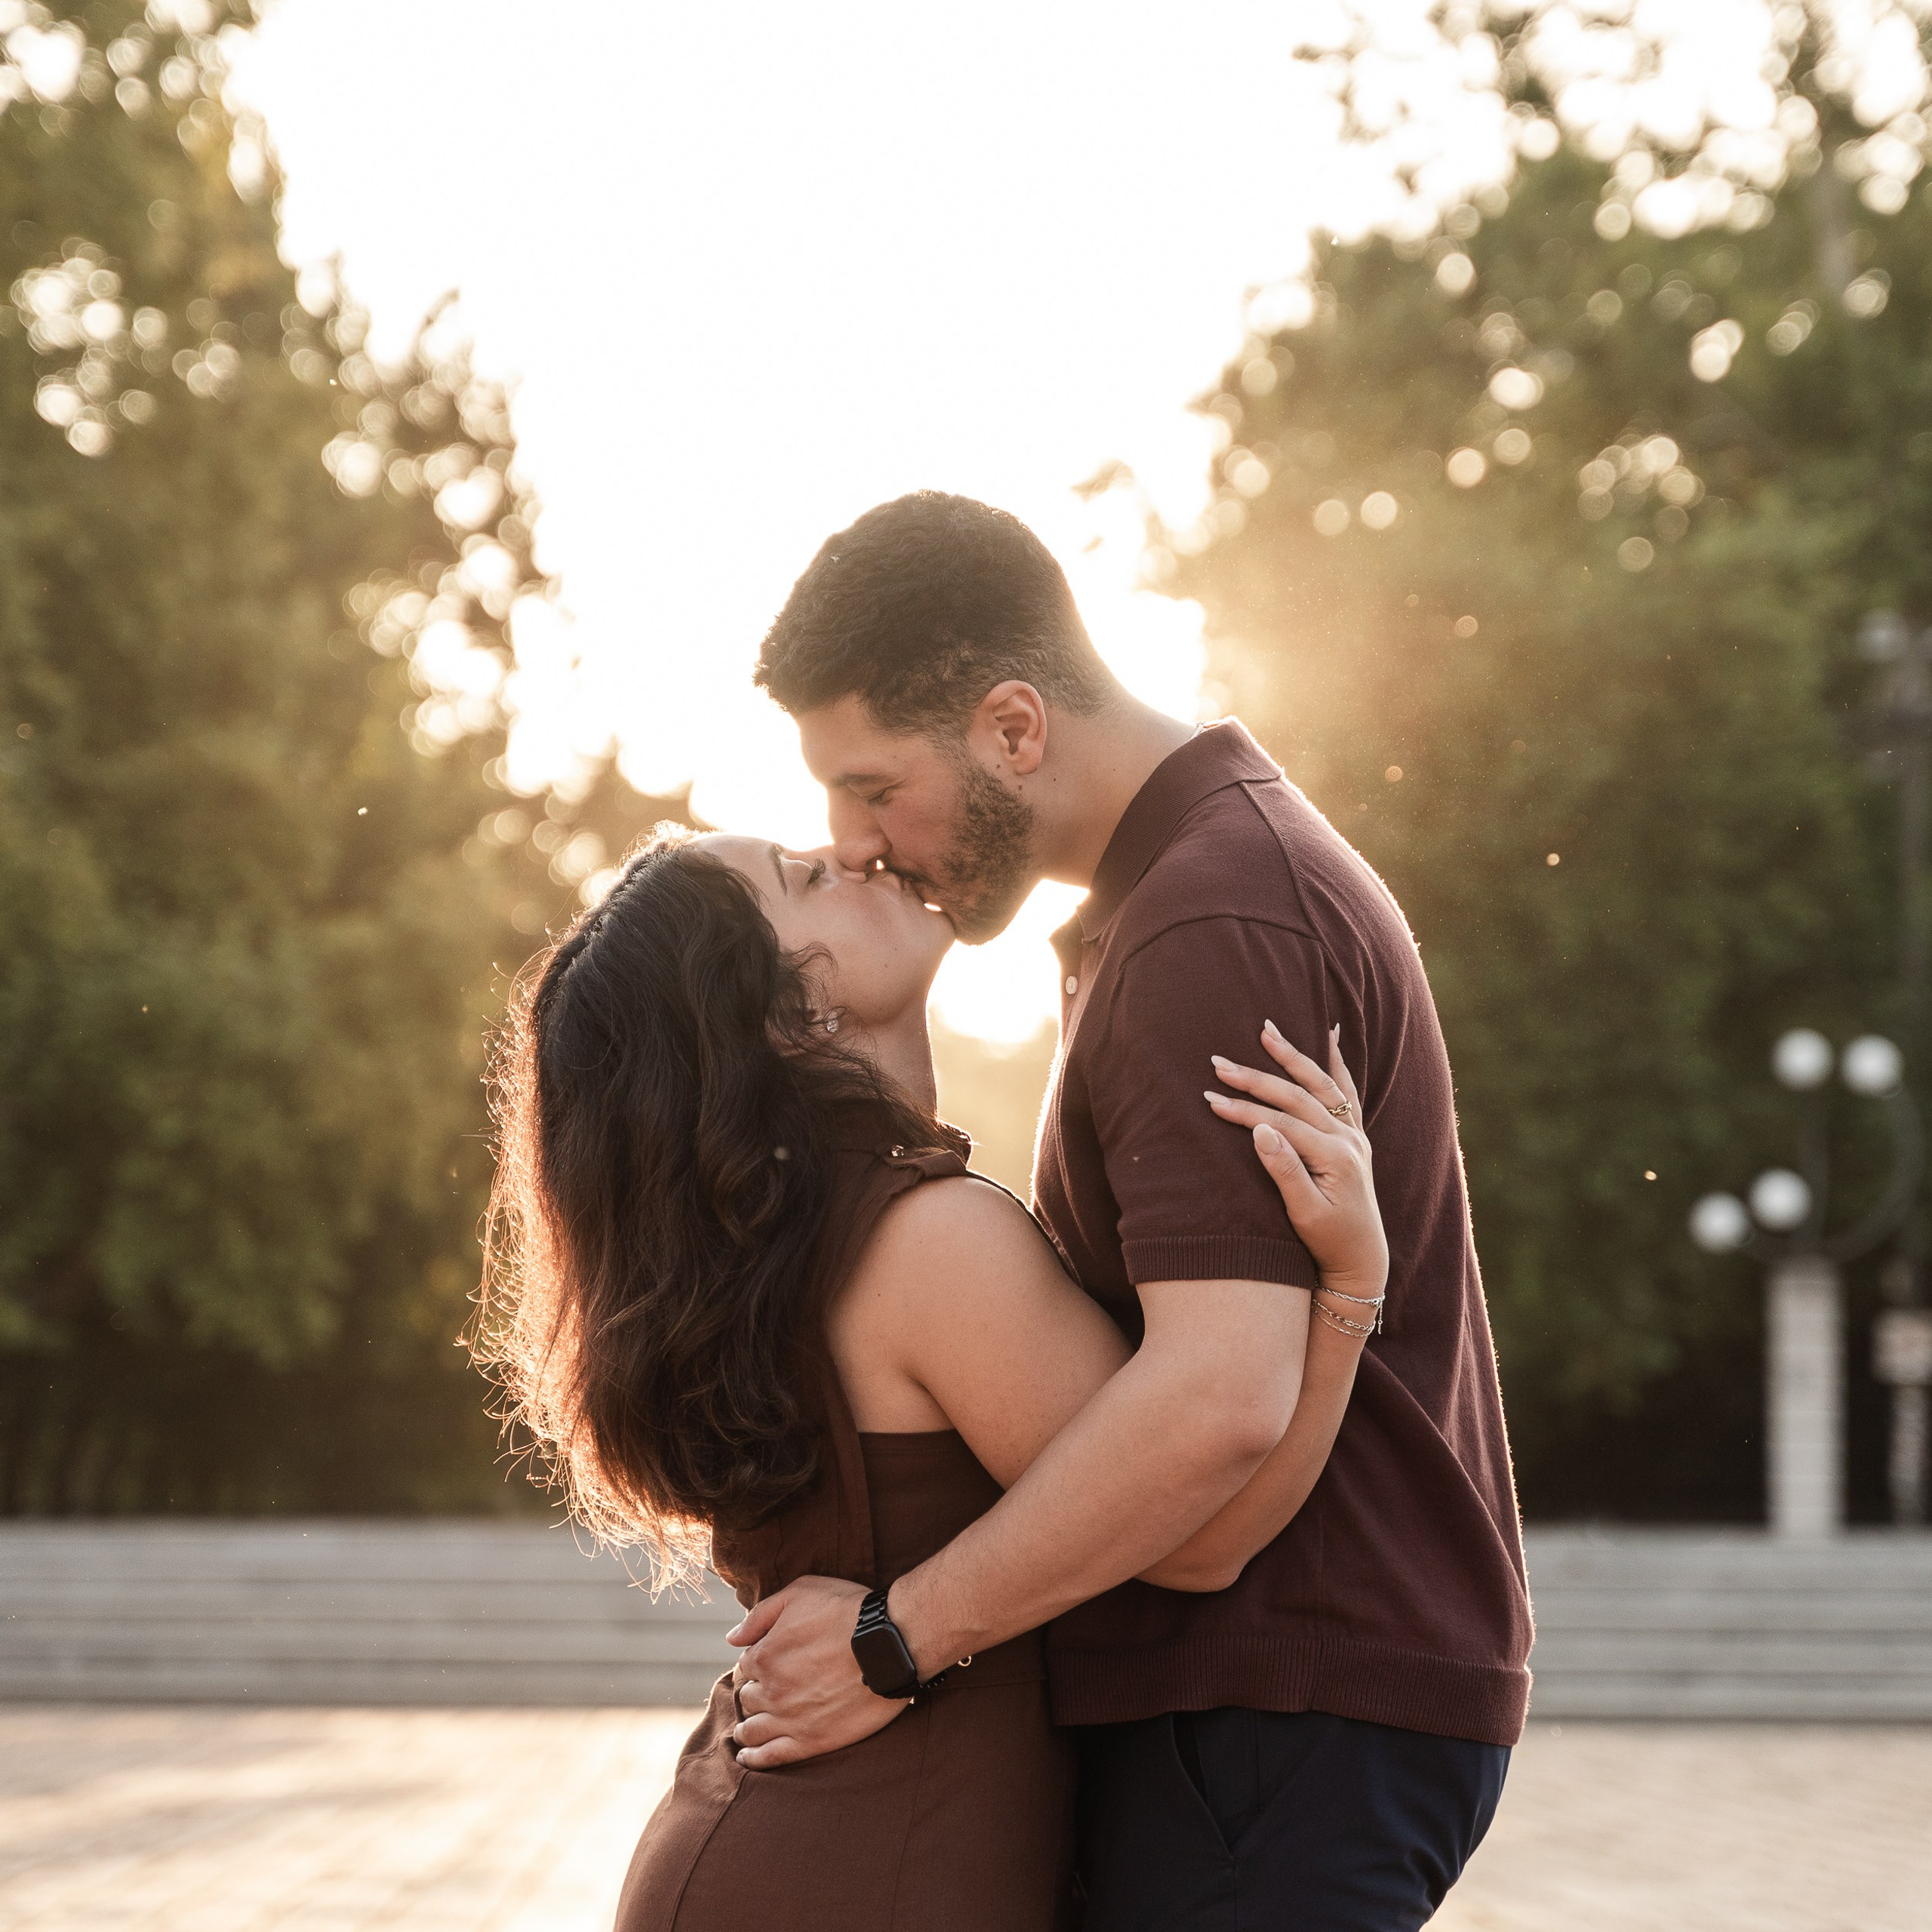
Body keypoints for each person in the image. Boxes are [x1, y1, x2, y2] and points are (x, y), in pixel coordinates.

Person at [728, 491, 1532, 1928]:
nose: (857, 842)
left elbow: (1218, 1398)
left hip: (1279, 1696)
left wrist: (892, 1640)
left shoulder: (1213, 922)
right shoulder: (1188, 891)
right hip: (1273, 1700)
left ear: (1014, 729)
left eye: (871, 788)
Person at [477, 824, 1389, 1931]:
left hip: (789, 1849)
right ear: (792, 1014)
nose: (854, 854)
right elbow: (1208, 1537)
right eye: (806, 878)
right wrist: (1349, 1287)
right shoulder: (930, 1241)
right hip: (867, 1869)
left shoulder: (800, 1249)